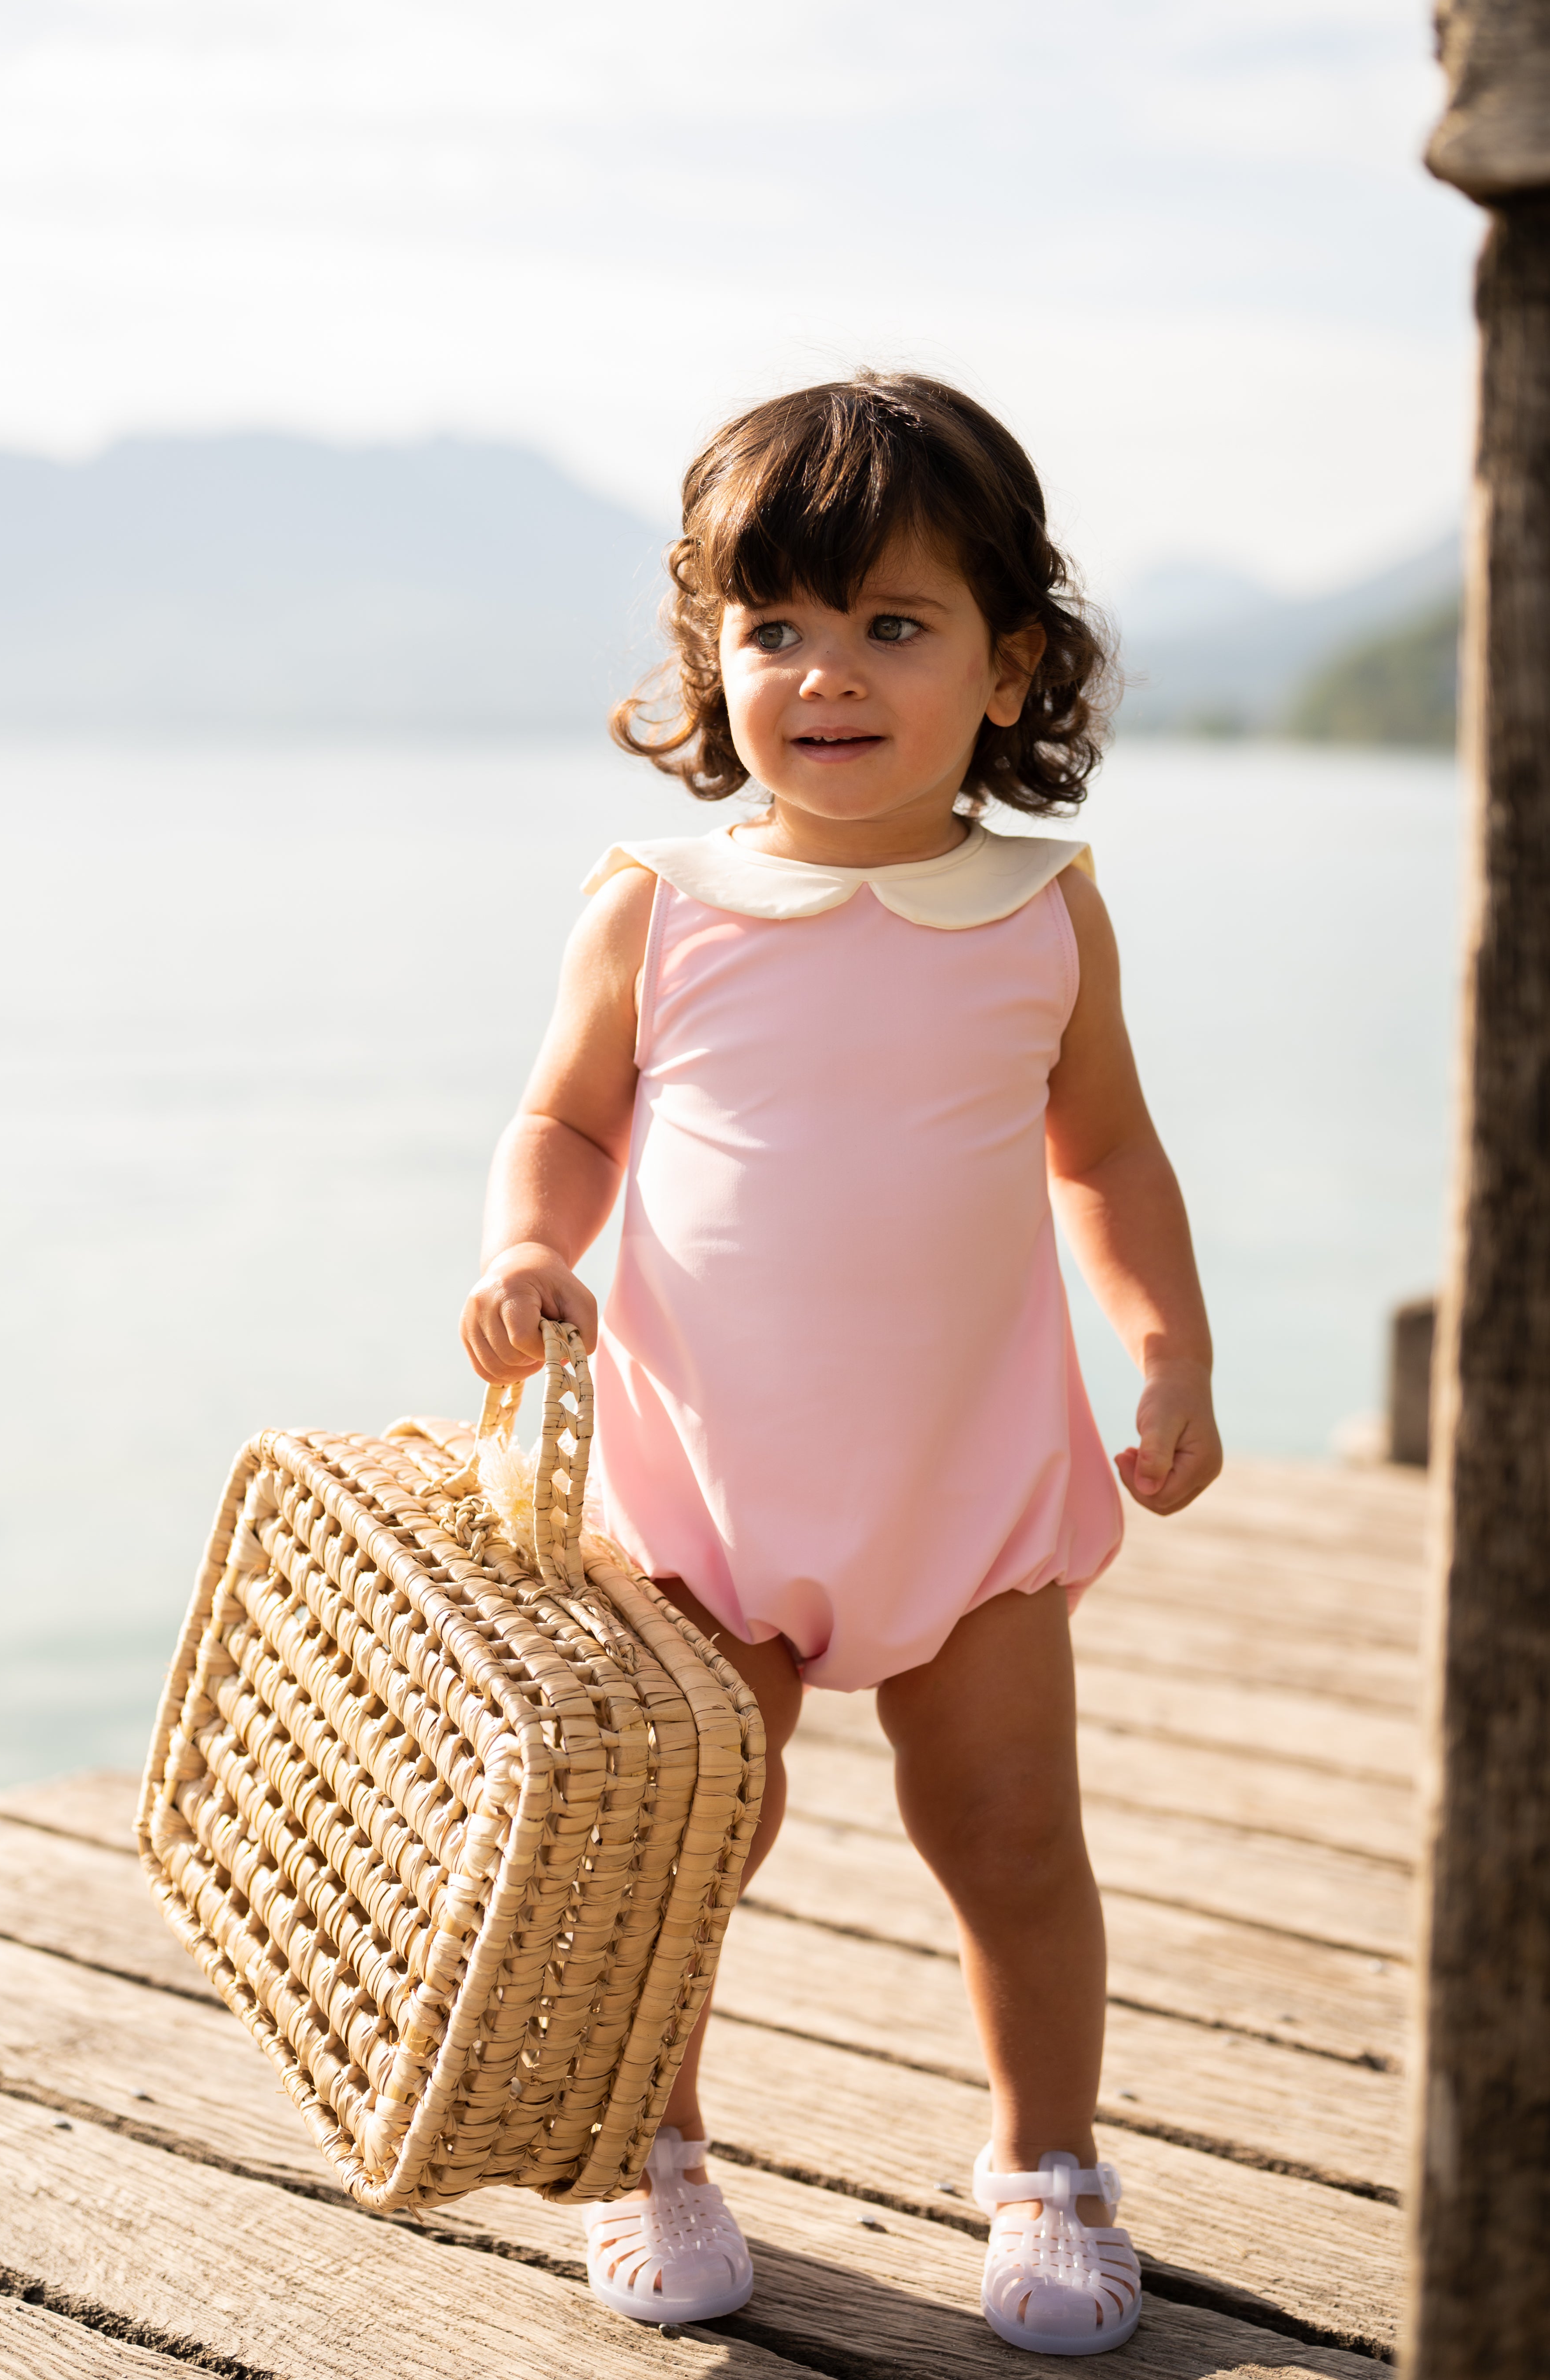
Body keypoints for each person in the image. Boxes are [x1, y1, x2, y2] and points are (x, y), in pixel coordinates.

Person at [461, 372, 1221, 2355]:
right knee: (687, 1841)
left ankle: (1047, 2162)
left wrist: (1162, 1346)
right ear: (712, 655)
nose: (827, 671)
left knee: (1013, 1840)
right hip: (709, 1484)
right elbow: (562, 1122)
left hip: (966, 1487)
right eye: (776, 624)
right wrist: (531, 1245)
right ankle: (657, 2140)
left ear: (1008, 660)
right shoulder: (664, 898)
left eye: (893, 623)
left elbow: (1107, 1146)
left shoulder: (1039, 902)